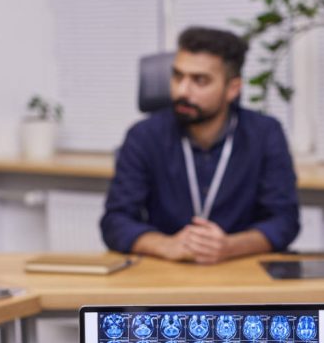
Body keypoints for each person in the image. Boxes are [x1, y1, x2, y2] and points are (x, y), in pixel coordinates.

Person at [100, 26, 300, 263]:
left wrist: (230, 247)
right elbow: (115, 221)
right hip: (166, 271)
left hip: (239, 271)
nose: (182, 91)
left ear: (232, 89)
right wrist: (166, 245)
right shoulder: (143, 136)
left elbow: (284, 220)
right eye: (177, 76)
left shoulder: (265, 134)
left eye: (200, 81)